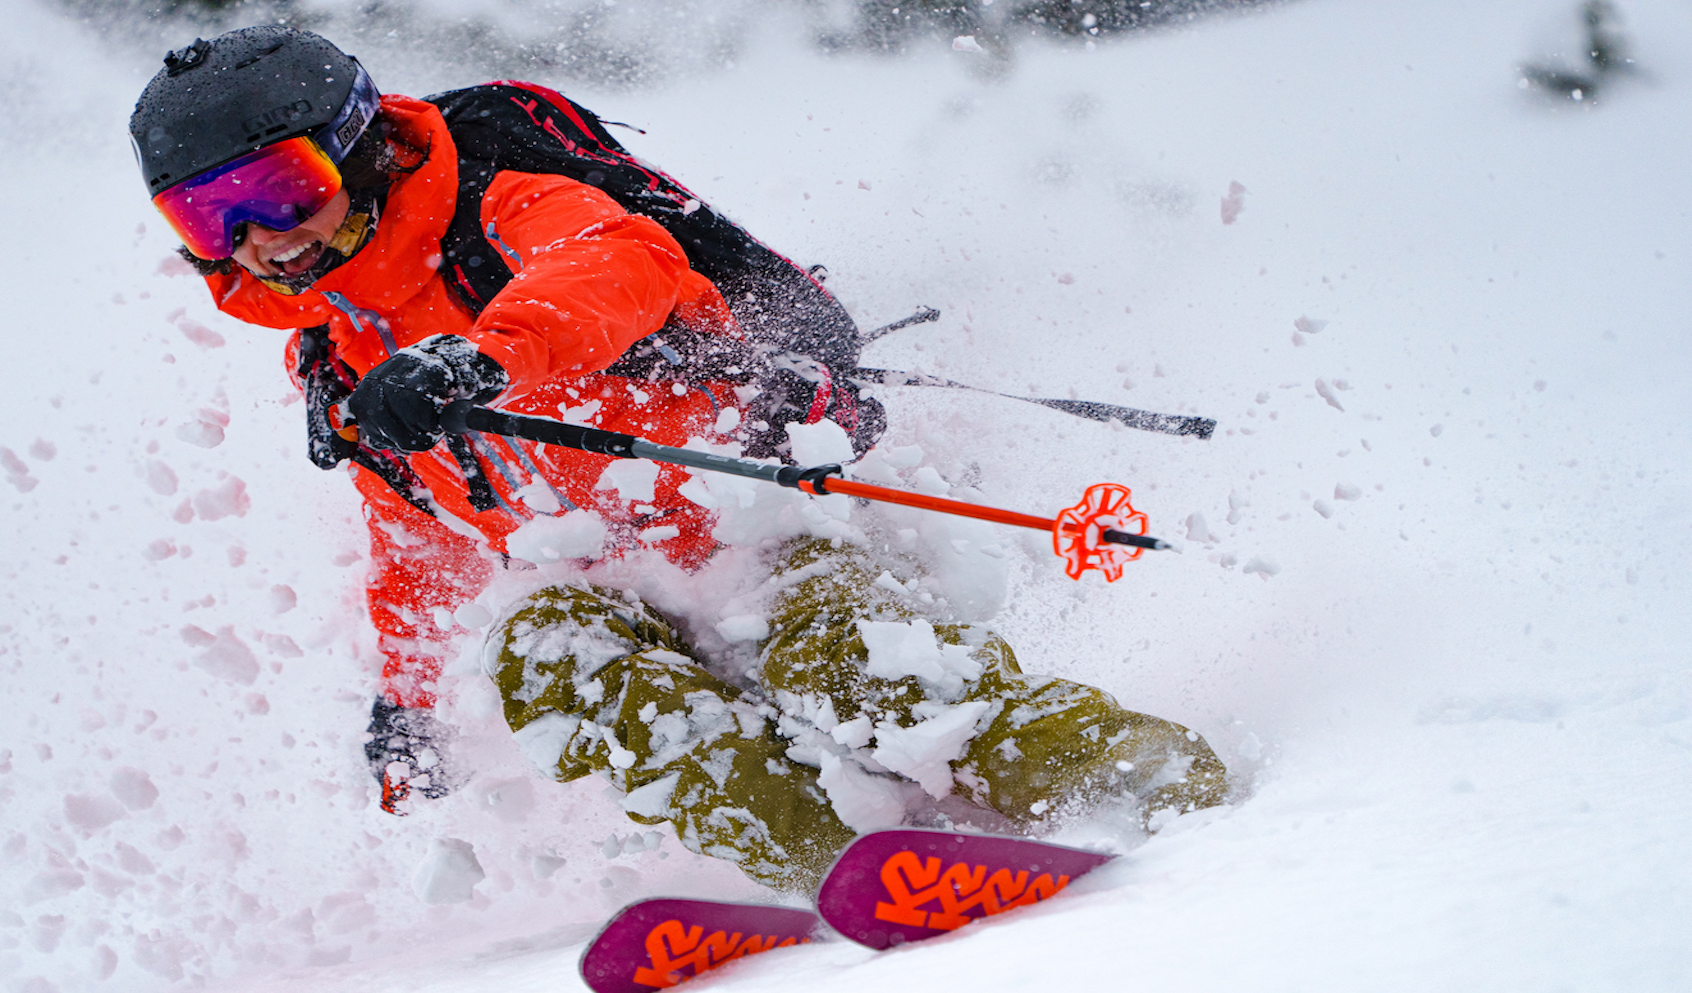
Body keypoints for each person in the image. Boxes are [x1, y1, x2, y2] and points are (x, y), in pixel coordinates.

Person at [130, 26, 1227, 894]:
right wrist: (408, 700)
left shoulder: (499, 211)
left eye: (277, 188)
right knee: (543, 655)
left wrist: (478, 360)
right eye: (207, 216)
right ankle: (834, 861)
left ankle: (1121, 778)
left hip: (769, 527)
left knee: (849, 662)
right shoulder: (338, 356)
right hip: (621, 585)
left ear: (359, 141)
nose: (257, 240)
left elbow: (619, 263)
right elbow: (413, 527)